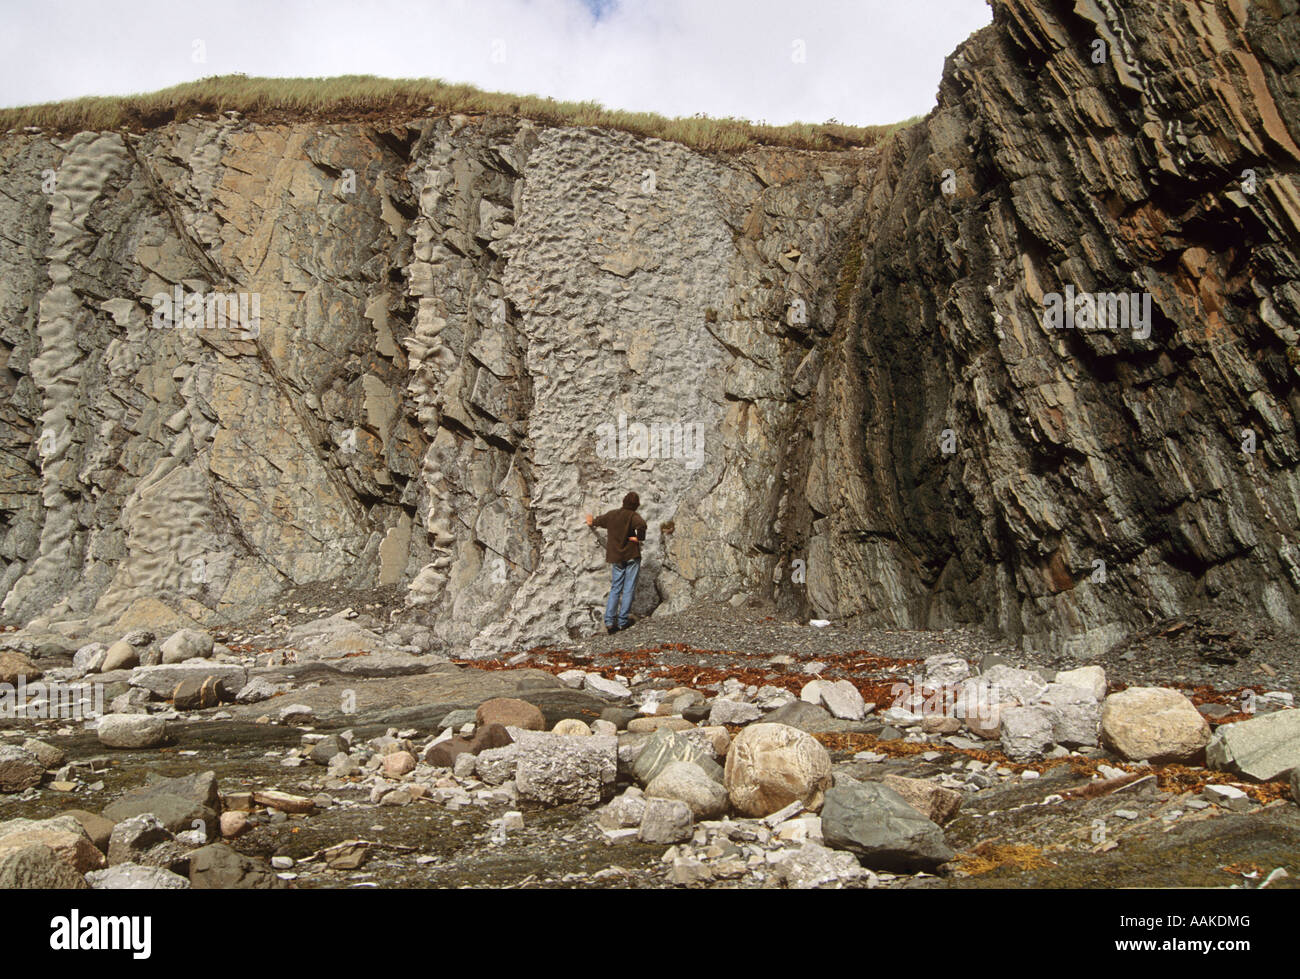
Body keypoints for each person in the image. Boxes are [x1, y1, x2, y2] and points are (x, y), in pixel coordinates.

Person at [584, 492, 648, 634]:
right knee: (628, 589)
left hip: (616, 558)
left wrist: (590, 521)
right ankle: (622, 622)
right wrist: (638, 538)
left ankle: (609, 622)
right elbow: (642, 525)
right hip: (631, 556)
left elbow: (598, 521)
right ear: (636, 505)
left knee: (615, 589)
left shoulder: (612, 515)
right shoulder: (633, 516)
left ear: (623, 502)